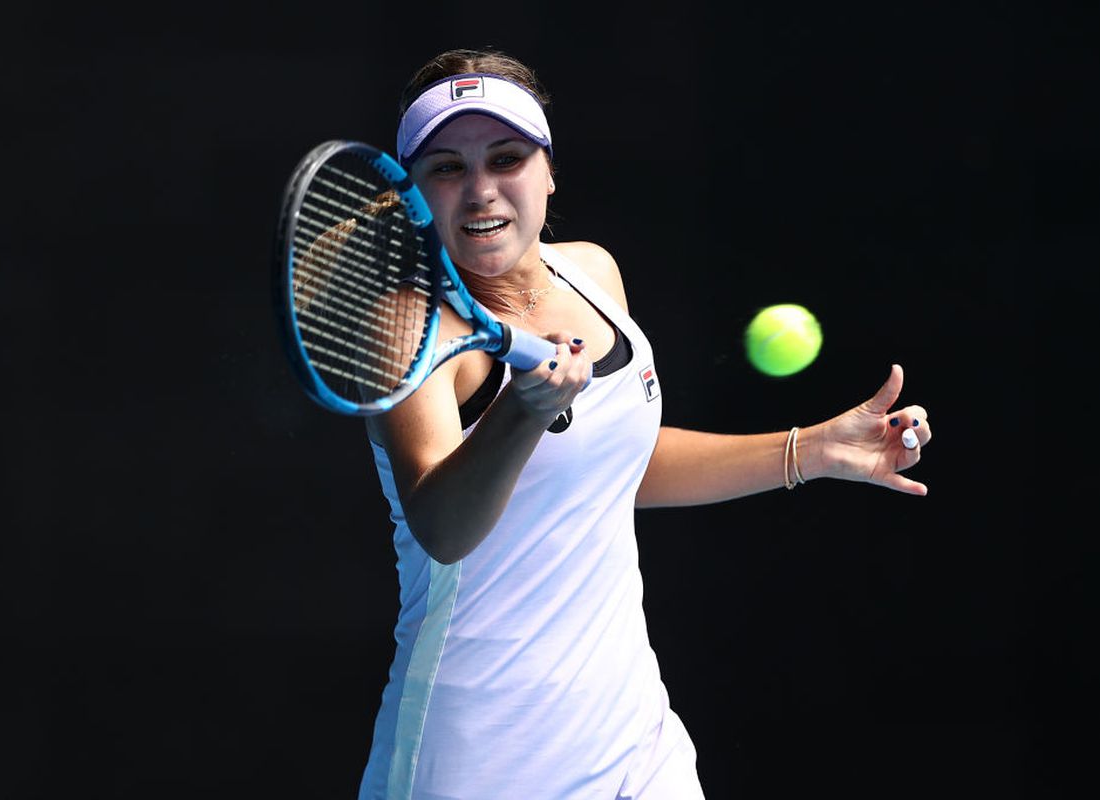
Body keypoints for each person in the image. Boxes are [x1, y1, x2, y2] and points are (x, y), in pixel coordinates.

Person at [358, 48, 932, 800]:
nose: (480, 190)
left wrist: (809, 450)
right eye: (445, 167)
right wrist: (520, 416)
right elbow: (441, 523)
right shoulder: (408, 327)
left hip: (631, 736)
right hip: (479, 754)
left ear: (549, 171)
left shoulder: (593, 273)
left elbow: (613, 463)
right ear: (412, 193)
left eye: (506, 158)